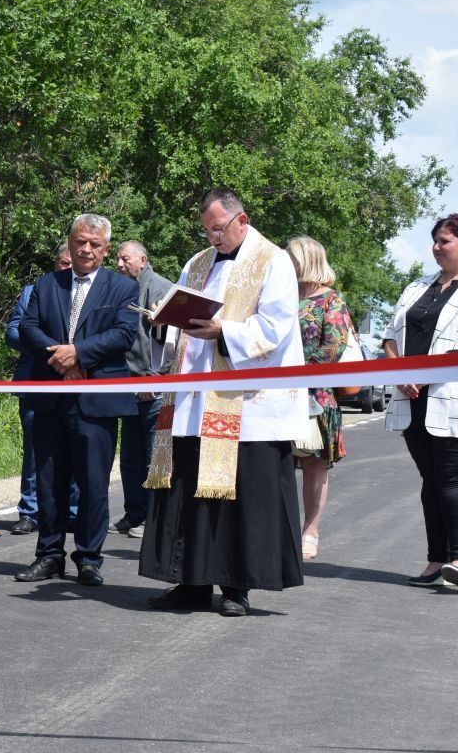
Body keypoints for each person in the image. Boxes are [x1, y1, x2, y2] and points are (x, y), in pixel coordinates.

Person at [139, 187, 306, 617]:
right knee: (191, 494)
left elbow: (276, 326)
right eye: (208, 231)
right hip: (195, 399)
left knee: (240, 498)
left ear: (241, 220)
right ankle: (191, 584)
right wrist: (163, 320)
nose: (213, 238)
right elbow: (182, 320)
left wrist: (223, 332)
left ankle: (236, 587)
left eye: (218, 229)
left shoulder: (274, 261)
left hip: (246, 403)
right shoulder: (197, 262)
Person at [383, 213, 458, 594]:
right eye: (435, 240)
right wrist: (399, 371)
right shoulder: (417, 286)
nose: (436, 247)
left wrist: (424, 373)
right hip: (413, 399)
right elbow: (390, 335)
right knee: (431, 480)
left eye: (445, 241)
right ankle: (437, 559)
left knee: (455, 478)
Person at [14, 214, 139, 587]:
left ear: (105, 249)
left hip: (96, 399)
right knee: (49, 481)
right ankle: (49, 555)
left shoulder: (122, 288)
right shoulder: (47, 283)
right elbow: (28, 328)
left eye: (94, 244)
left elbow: (124, 334)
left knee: (93, 482)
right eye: (80, 241)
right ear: (70, 242)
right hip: (50, 395)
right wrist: (61, 359)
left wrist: (79, 354)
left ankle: (88, 558)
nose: (86, 249)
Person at [286, 235, 351, 561]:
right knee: (276, 463)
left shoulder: (331, 300)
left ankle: (310, 531)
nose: (286, 262)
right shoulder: (281, 296)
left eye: (291, 257)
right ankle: (279, 529)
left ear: (307, 260)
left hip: (314, 394)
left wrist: (298, 373)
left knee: (314, 465)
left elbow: (334, 346)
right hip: (275, 393)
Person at [5, 241, 72, 536]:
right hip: (37, 378)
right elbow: (13, 332)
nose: (67, 268)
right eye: (63, 263)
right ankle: (30, 511)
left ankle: (72, 511)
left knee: (75, 446)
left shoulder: (89, 293)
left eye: (72, 264)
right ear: (55, 263)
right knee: (35, 449)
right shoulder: (34, 291)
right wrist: (51, 351)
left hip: (76, 381)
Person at [112, 240, 173, 539]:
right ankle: (134, 513)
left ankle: (153, 517)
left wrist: (155, 377)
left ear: (143, 260)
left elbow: (171, 339)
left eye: (125, 259)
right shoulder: (123, 289)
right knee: (130, 456)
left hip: (153, 388)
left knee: (153, 456)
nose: (119, 264)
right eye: (117, 259)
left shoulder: (161, 288)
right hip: (129, 385)